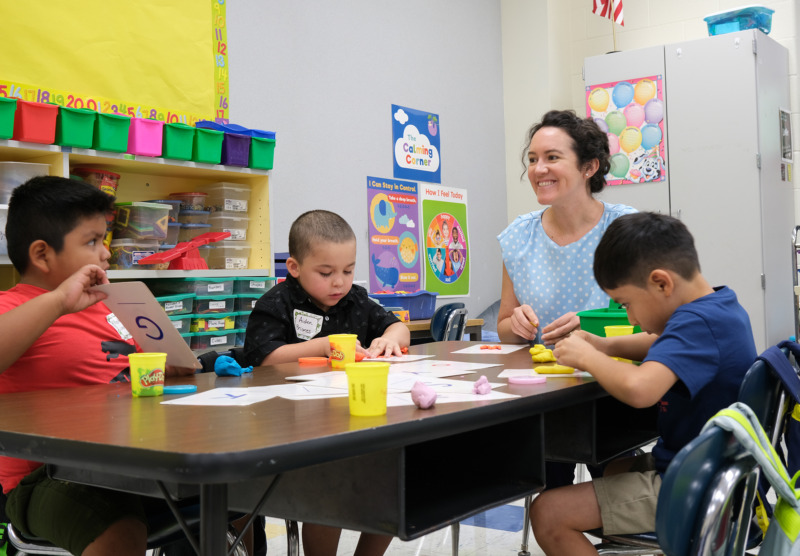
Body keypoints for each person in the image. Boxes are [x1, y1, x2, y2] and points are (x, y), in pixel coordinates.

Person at [0, 176, 241, 556]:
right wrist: (60, 300)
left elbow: (118, 377)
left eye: (105, 240)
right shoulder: (14, 307)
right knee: (118, 530)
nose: (106, 254)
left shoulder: (106, 307)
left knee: (241, 488)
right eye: (92, 241)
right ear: (42, 254)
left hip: (130, 463)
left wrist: (165, 369)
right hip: (44, 478)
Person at [530, 212, 757, 555]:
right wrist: (605, 345)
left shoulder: (696, 323)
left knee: (548, 512)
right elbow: (661, 343)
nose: (631, 319)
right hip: (712, 468)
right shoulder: (719, 307)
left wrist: (590, 358)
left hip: (699, 486)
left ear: (661, 283)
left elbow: (640, 390)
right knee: (615, 468)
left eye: (626, 305)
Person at [243, 209, 409, 556]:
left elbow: (397, 326)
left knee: (394, 483)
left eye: (348, 271)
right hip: (286, 429)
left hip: (350, 421)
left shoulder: (356, 300)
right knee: (328, 492)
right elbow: (265, 357)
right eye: (326, 272)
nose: (339, 282)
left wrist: (391, 338)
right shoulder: (275, 303)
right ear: (294, 268)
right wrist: (321, 345)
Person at [496, 109, 636, 488]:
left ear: (589, 167)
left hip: (611, 392)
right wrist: (518, 325)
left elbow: (652, 321)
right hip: (545, 396)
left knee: (614, 503)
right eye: (532, 159)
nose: (538, 169)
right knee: (548, 496)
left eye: (552, 157)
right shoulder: (517, 238)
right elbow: (504, 328)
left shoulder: (624, 230)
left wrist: (591, 327)